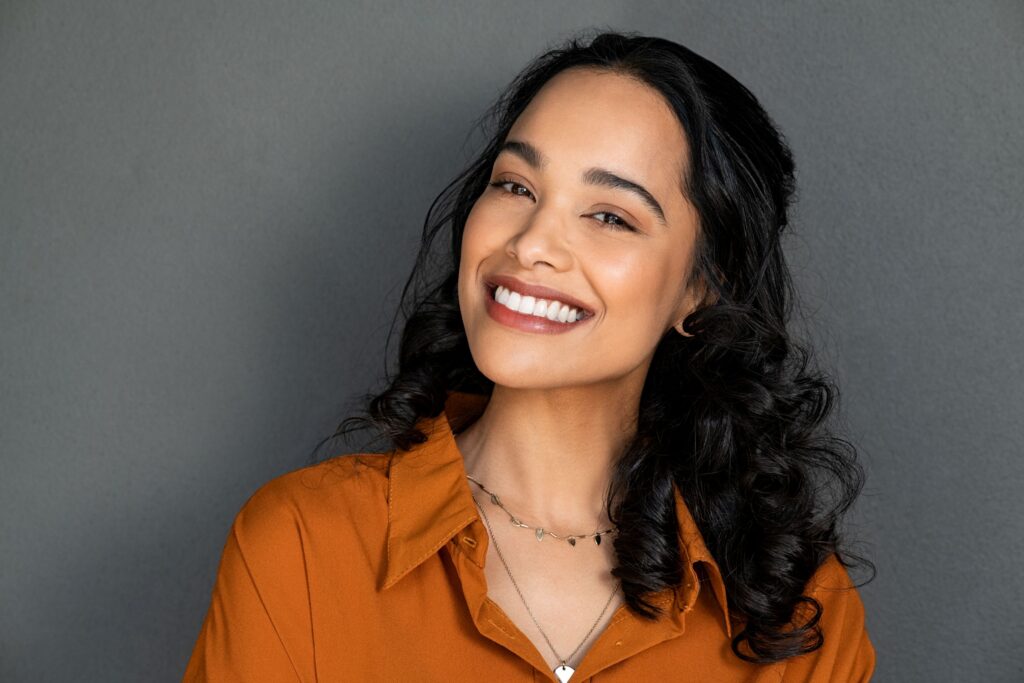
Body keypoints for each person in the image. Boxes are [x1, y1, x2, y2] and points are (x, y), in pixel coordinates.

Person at [183, 30, 875, 682]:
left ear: (702, 286)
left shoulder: (801, 609)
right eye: (516, 186)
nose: (532, 242)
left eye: (610, 215)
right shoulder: (300, 546)